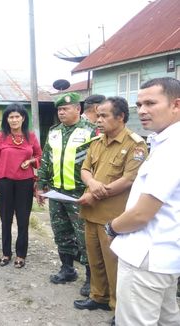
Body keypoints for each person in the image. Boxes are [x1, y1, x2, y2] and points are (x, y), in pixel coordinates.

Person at [108, 77, 180, 325]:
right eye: (138, 104)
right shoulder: (163, 141)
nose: (142, 111)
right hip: (166, 255)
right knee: (167, 319)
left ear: (176, 104)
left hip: (146, 257)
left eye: (150, 103)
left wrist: (112, 227)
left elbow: (141, 214)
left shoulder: (172, 148)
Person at [73, 97, 147, 321]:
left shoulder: (135, 145)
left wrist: (94, 192)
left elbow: (129, 179)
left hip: (115, 217)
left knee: (114, 264)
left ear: (121, 117)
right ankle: (99, 296)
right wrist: (93, 184)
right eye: (97, 115)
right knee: (94, 259)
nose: (98, 120)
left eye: (104, 115)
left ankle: (119, 308)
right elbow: (85, 170)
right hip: (92, 213)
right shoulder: (97, 142)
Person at [36, 92, 99, 296]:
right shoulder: (54, 132)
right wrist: (40, 184)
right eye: (59, 110)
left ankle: (92, 278)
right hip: (56, 192)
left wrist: (92, 190)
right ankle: (67, 269)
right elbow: (46, 158)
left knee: (84, 237)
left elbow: (97, 164)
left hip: (80, 194)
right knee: (61, 232)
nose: (61, 112)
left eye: (65, 109)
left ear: (78, 109)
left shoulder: (91, 132)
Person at [0, 104, 42, 268]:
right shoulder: (0, 137)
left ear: (23, 118)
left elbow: (40, 155)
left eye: (17, 116)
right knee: (5, 218)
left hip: (25, 183)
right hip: (4, 182)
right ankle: (6, 253)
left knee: (23, 219)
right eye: (10, 117)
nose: (14, 120)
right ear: (7, 119)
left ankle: (21, 254)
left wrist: (31, 160)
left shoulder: (31, 137)